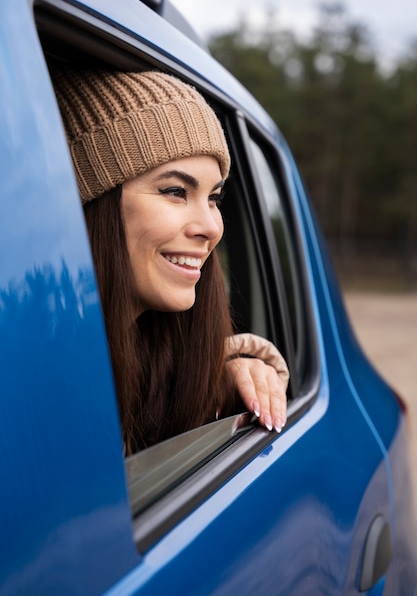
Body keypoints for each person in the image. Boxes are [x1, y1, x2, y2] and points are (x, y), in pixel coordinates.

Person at [50, 65, 289, 454]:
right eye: (176, 192)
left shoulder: (170, 362)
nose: (211, 227)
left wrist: (223, 380)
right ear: (93, 203)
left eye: (214, 198)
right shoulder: (30, 379)